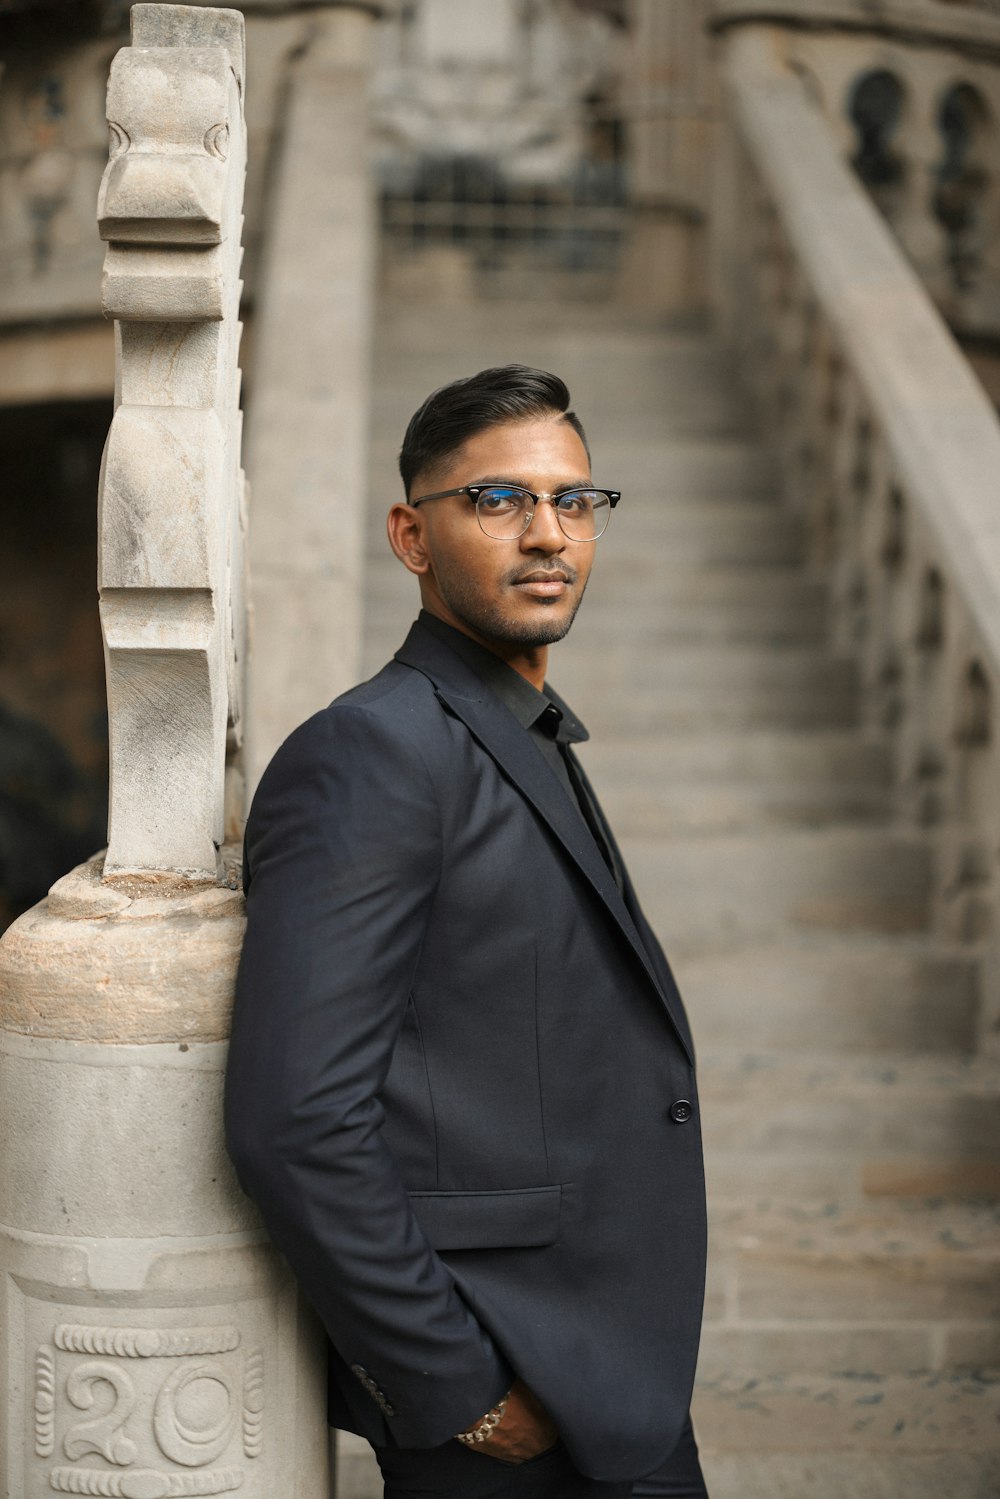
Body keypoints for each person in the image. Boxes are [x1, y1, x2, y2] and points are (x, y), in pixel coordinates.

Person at [224, 366, 709, 1498]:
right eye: (497, 499)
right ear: (411, 534)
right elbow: (292, 1122)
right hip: (509, 1387)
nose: (548, 533)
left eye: (574, 501)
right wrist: (460, 1392)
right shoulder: (375, 753)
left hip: (599, 1373)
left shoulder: (517, 725)